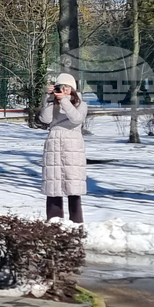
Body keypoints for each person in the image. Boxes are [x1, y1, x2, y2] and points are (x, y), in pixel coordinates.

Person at [39, 73, 88, 223]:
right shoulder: (53, 103)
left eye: (67, 88)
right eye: (61, 87)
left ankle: (76, 223)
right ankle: (54, 222)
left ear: (73, 89)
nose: (64, 90)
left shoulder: (82, 104)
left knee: (73, 185)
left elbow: (76, 119)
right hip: (54, 144)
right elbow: (45, 119)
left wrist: (65, 101)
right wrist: (48, 100)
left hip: (72, 146)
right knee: (53, 185)